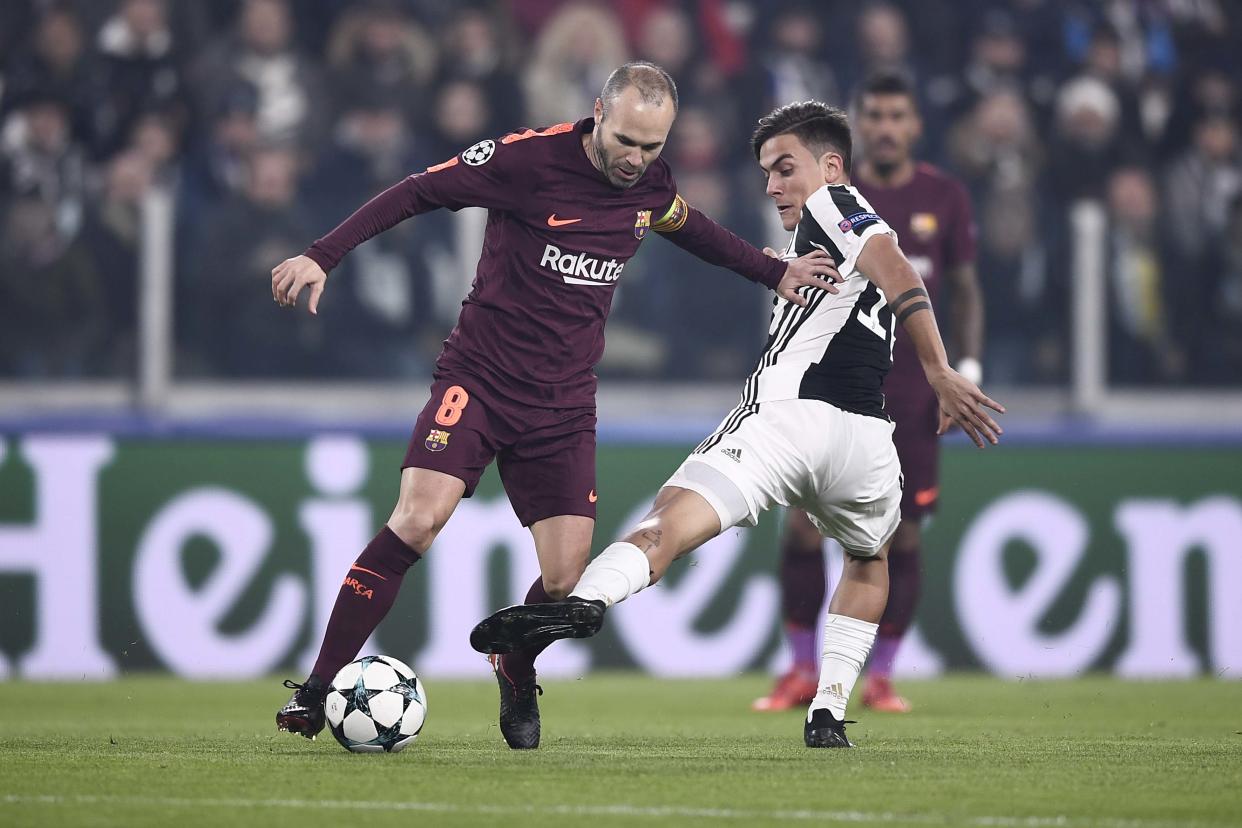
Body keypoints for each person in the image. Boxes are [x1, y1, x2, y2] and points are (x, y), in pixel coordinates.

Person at [271, 62, 837, 750]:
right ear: (598, 111)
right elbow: (418, 193)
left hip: (563, 404)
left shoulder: (651, 185)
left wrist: (776, 271)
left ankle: (516, 663)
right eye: (626, 139)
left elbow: (693, 230)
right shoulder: (524, 161)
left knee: (568, 580)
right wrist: (323, 256)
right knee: (418, 521)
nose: (636, 159)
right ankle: (317, 688)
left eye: (652, 147)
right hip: (479, 379)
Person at [468, 100, 1003, 748]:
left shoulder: (835, 204)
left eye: (785, 168)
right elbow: (883, 270)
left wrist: (942, 370)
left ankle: (590, 603)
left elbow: (897, 268)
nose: (772, 185)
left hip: (789, 422)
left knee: (666, 522)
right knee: (870, 559)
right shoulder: (825, 237)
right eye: (766, 173)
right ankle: (829, 710)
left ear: (831, 166)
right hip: (867, 445)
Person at [753, 71, 983, 714]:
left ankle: (878, 675)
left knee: (899, 536)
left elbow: (962, 288)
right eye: (873, 115)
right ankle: (801, 669)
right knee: (801, 528)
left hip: (915, 392)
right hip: (837, 388)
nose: (885, 127)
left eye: (896, 116)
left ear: (913, 126)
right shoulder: (824, 197)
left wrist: (964, 367)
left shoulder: (945, 195)